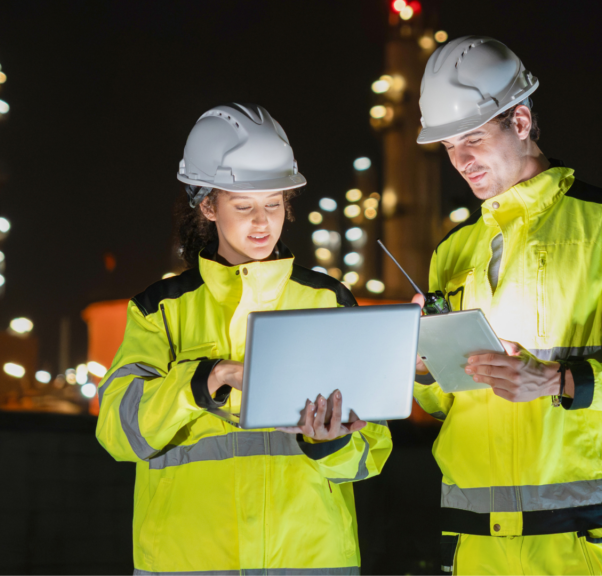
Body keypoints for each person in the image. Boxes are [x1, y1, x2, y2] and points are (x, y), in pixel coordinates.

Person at [410, 37, 602, 574]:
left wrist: (556, 381)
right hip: (477, 546)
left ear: (520, 122)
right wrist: (423, 367)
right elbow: (443, 404)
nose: (461, 161)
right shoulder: (453, 253)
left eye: (472, 138)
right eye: (448, 147)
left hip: (584, 545)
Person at [95, 103, 392, 574]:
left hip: (309, 561)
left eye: (274, 204)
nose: (262, 222)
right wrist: (207, 379)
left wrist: (329, 443)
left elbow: (371, 450)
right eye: (244, 206)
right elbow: (118, 431)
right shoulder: (161, 310)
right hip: (189, 561)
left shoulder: (327, 301)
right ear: (208, 206)